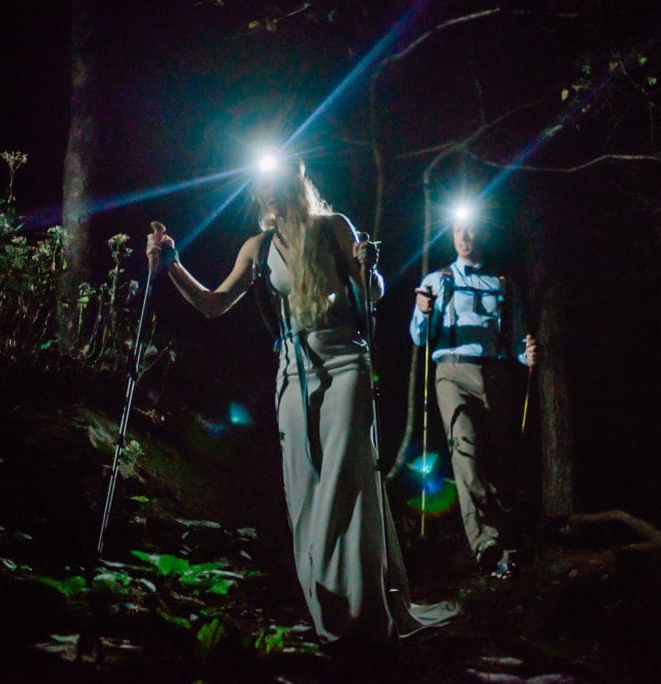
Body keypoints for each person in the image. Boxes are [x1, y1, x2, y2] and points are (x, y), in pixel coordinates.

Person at [146, 153, 457, 647]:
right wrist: (173, 264)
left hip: (345, 362)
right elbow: (213, 304)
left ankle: (364, 613)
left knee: (345, 481)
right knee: (306, 489)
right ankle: (329, 608)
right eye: (262, 186)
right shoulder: (258, 246)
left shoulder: (333, 226)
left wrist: (366, 266)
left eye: (278, 183)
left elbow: (370, 292)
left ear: (297, 182)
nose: (271, 193)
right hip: (293, 369)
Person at [409, 215, 537, 579]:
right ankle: (484, 543)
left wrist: (524, 354)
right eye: (457, 231)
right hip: (451, 370)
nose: (464, 237)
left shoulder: (503, 284)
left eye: (471, 230)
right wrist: (422, 312)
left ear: (482, 233)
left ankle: (508, 537)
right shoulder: (437, 280)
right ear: (451, 237)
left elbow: (515, 341)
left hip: (495, 373)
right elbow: (420, 337)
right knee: (464, 446)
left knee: (501, 454)